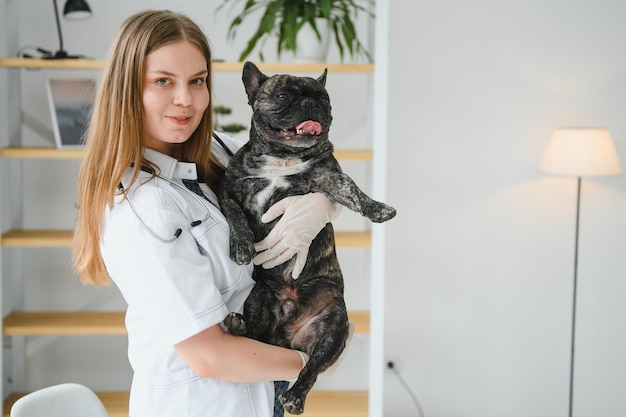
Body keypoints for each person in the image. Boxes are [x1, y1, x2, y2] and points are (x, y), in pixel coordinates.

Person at [72, 9, 341, 417]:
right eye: (163, 81)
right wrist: (314, 362)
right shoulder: (141, 210)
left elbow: (314, 167)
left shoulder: (220, 148)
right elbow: (209, 355)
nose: (186, 99)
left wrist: (325, 204)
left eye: (197, 81)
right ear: (127, 89)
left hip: (258, 393)